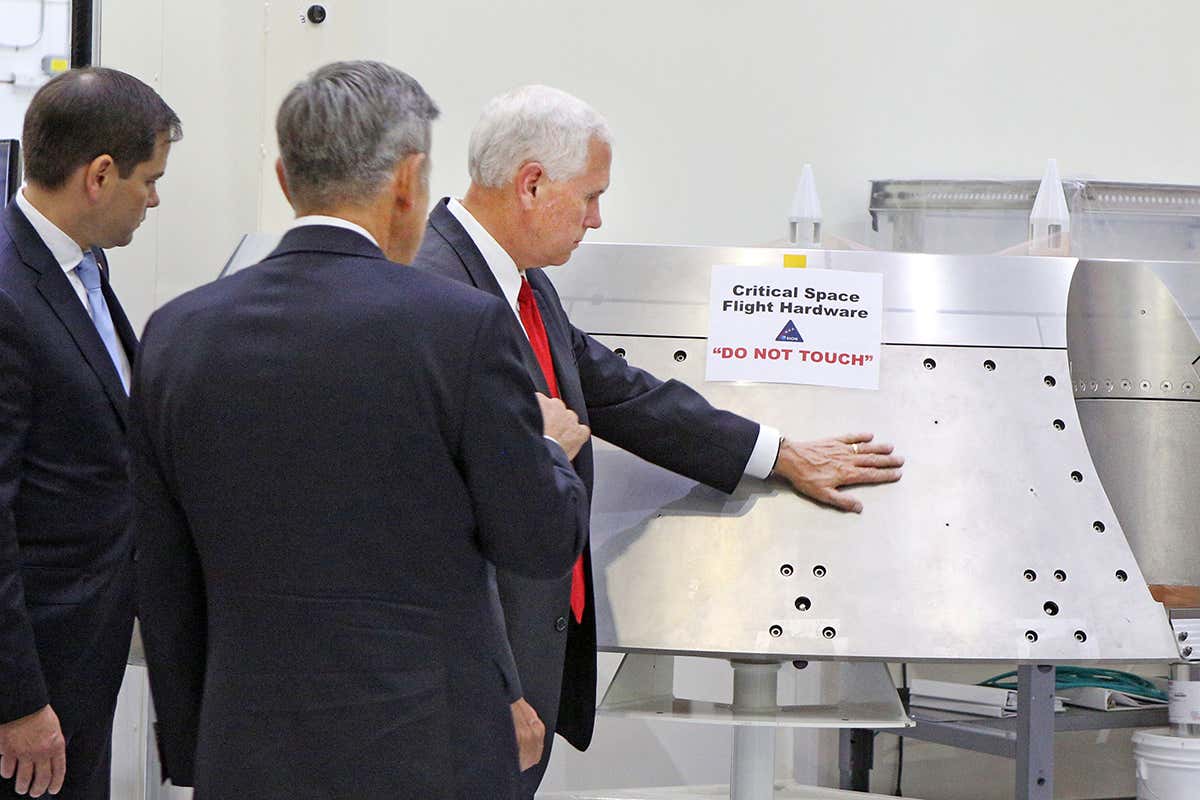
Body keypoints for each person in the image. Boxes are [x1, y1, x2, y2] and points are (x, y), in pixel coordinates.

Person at [413, 84, 905, 796]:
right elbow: (434, 527)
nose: (597, 218)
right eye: (590, 196)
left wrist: (777, 453)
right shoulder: (434, 291)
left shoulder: (522, 284)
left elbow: (620, 392)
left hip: (528, 659)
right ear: (531, 184)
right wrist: (494, 687)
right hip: (475, 684)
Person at [130, 61, 590, 799]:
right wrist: (549, 452)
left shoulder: (177, 334)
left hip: (247, 752)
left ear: (284, 178)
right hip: (427, 755)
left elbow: (164, 573)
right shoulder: (462, 329)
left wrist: (195, 747)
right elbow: (535, 541)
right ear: (408, 180)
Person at [0, 68, 180, 799]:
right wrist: (16, 700)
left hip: (85, 654)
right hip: (34, 681)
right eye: (150, 180)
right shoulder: (9, 294)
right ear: (100, 176)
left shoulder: (82, 266)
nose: (155, 200)